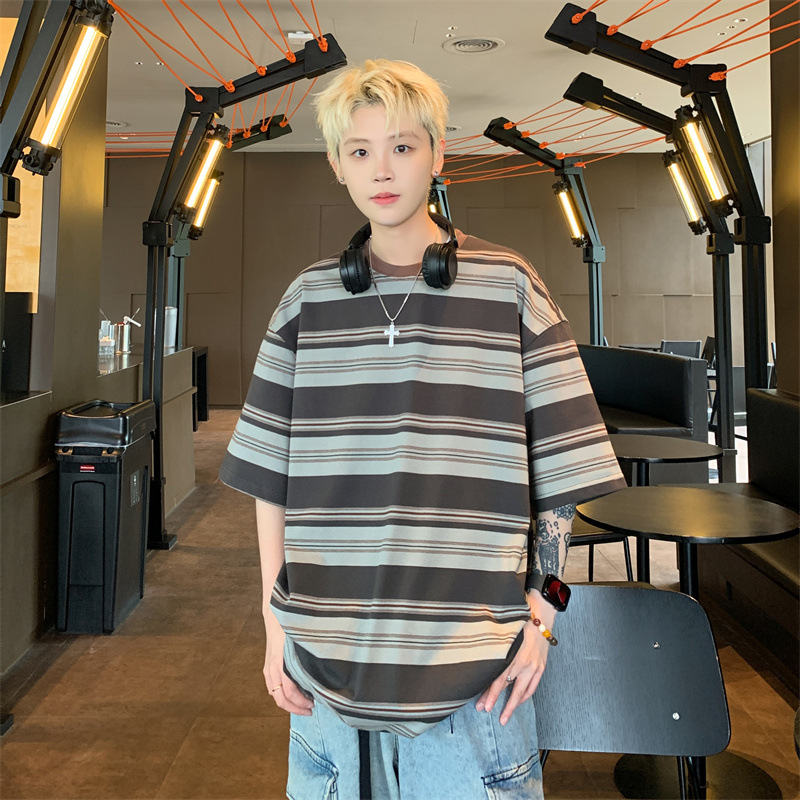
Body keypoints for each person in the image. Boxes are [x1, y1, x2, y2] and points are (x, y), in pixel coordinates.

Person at [220, 59, 625, 800]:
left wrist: (544, 617)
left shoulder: (510, 285)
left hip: (476, 674)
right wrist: (275, 623)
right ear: (338, 164)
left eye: (402, 146)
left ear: (438, 154)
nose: (382, 170)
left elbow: (563, 474)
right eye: (360, 150)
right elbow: (269, 481)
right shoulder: (305, 302)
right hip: (326, 670)